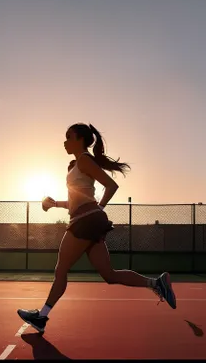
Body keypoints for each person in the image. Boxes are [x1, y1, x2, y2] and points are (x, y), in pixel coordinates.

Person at [17, 123, 176, 333]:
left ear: (80, 139)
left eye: (69, 136)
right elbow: (78, 200)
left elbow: (111, 186)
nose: (65, 141)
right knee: (109, 275)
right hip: (89, 221)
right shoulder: (77, 164)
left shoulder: (83, 159)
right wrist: (55, 204)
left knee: (61, 269)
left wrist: (97, 209)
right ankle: (157, 283)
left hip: (84, 222)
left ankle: (42, 317)